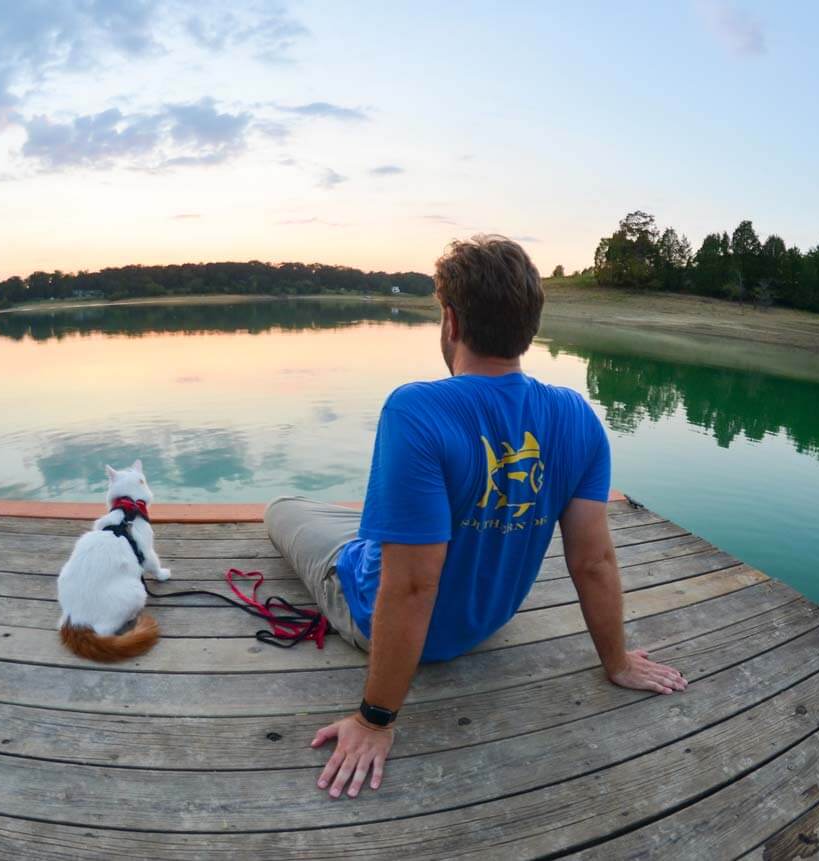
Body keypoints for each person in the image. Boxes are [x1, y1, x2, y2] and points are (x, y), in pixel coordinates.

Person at [264, 235, 687, 800]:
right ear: (530, 327)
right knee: (372, 528)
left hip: (376, 609)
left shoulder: (417, 409)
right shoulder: (576, 416)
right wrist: (616, 660)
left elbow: (412, 585)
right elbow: (594, 559)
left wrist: (374, 720)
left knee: (284, 509)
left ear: (450, 321)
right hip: (486, 620)